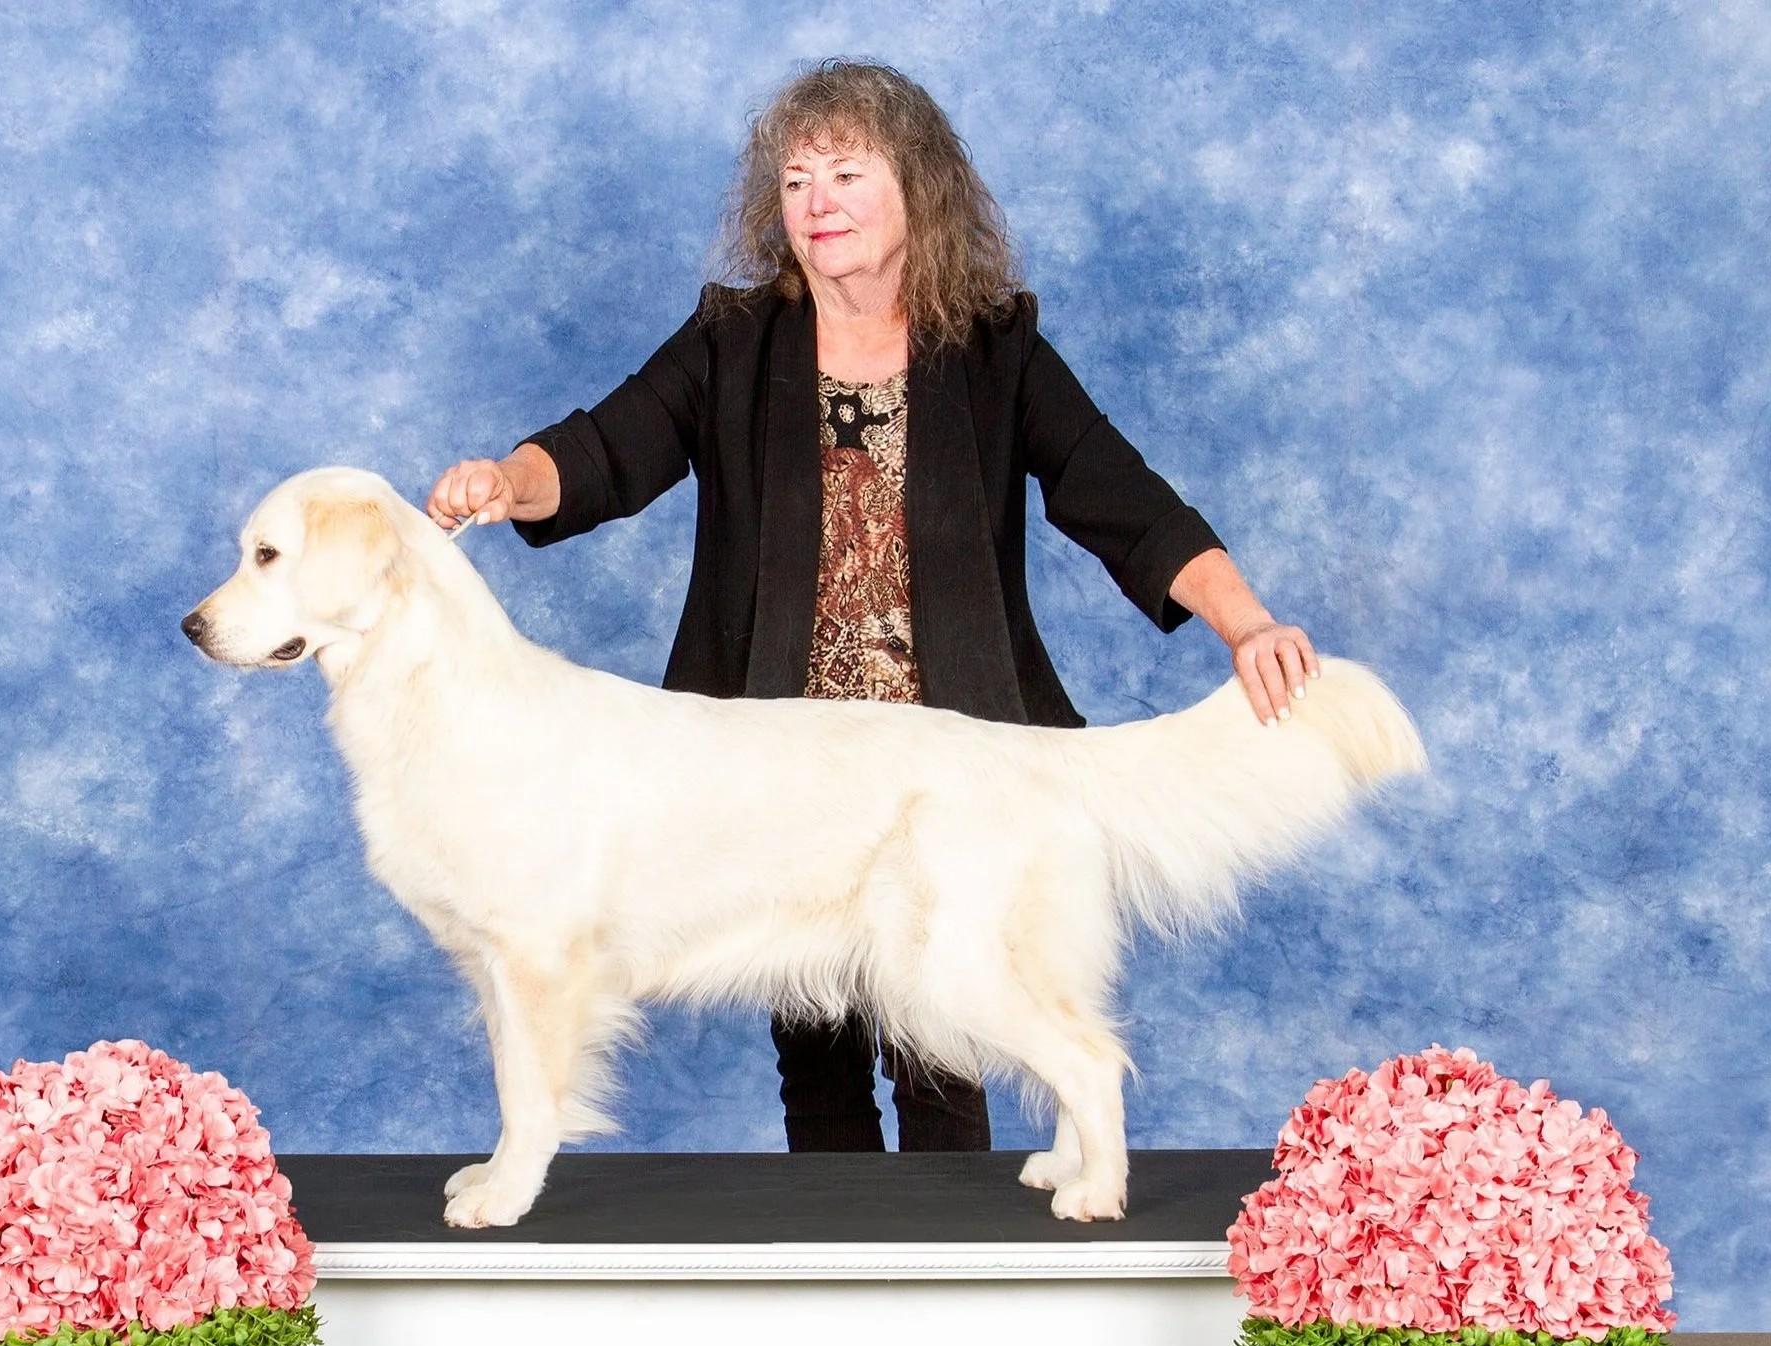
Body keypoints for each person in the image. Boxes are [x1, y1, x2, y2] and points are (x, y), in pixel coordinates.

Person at [426, 58, 1318, 1157]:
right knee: (815, 1071)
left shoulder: (995, 350)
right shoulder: (731, 342)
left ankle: (953, 1252)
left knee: (946, 1052)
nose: (818, 204)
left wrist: (1246, 622)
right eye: (796, 182)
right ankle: (837, 1244)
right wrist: (507, 481)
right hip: (772, 776)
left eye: (846, 175)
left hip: (943, 776)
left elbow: (1120, 497)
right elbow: (603, 451)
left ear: (917, 191)